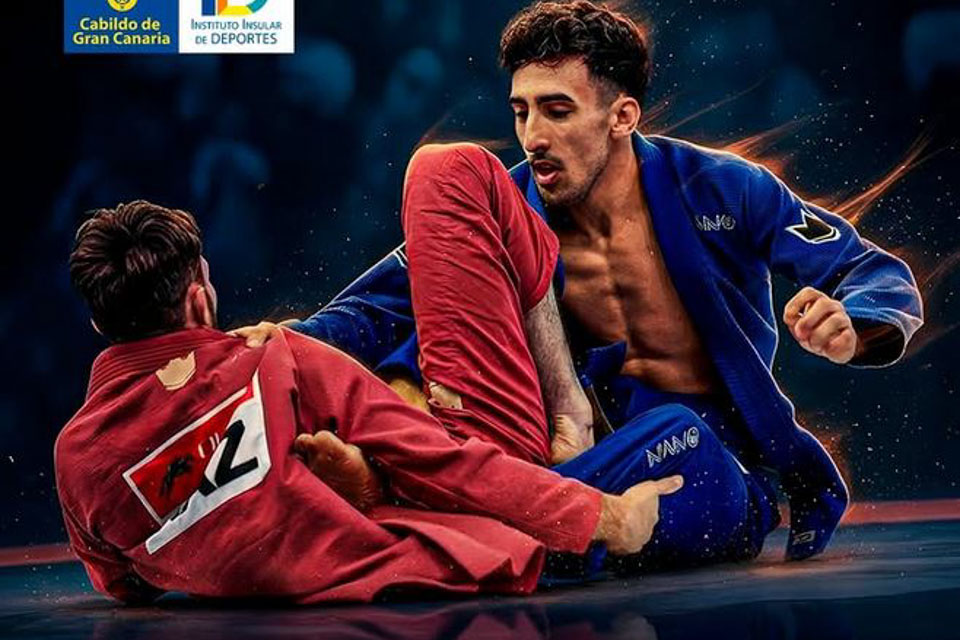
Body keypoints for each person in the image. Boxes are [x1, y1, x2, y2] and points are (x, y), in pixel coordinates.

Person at [281, 1, 923, 562]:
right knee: (421, 347)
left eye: (558, 111)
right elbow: (376, 306)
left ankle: (430, 505)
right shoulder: (504, 207)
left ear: (622, 117)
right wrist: (284, 344)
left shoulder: (724, 187)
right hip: (562, 461)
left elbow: (871, 270)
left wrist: (857, 325)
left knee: (684, 443)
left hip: (711, 465)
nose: (533, 136)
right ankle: (500, 513)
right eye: (521, 112)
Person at [56, 199, 703, 605]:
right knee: (680, 433)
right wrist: (607, 518)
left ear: (98, 323)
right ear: (200, 299)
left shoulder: (76, 457)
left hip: (409, 565)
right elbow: (447, 465)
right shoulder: (274, 359)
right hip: (466, 572)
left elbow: (123, 583)